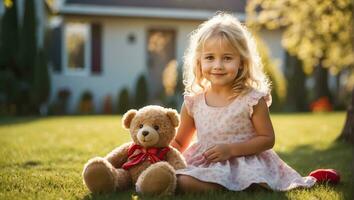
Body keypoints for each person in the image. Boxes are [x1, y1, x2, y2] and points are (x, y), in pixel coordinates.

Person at [171, 13, 340, 193]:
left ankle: (239, 185)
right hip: (206, 162)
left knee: (184, 183)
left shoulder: (251, 99)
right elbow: (180, 141)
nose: (218, 65)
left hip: (245, 161)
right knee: (176, 176)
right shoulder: (194, 102)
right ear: (199, 61)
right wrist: (157, 156)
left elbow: (267, 139)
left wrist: (230, 150)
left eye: (227, 58)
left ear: (242, 62)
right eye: (210, 58)